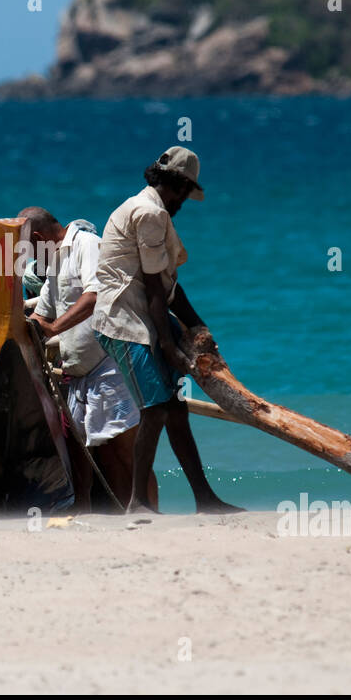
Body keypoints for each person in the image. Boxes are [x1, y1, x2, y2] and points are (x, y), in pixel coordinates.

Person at [90, 147, 241, 514]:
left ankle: (204, 499)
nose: (182, 204)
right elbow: (156, 290)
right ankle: (137, 503)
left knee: (175, 409)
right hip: (124, 322)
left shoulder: (151, 211)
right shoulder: (150, 213)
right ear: (175, 184)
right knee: (156, 409)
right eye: (184, 195)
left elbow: (169, 288)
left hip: (142, 316)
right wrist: (171, 346)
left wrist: (197, 328)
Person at [18, 207, 147, 506]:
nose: (29, 259)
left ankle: (145, 511)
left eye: (29, 248)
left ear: (39, 238)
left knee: (124, 453)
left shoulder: (87, 245)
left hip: (108, 364)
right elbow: (42, 313)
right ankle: (102, 512)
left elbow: (95, 294)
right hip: (78, 372)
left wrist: (53, 328)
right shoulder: (54, 262)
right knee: (89, 452)